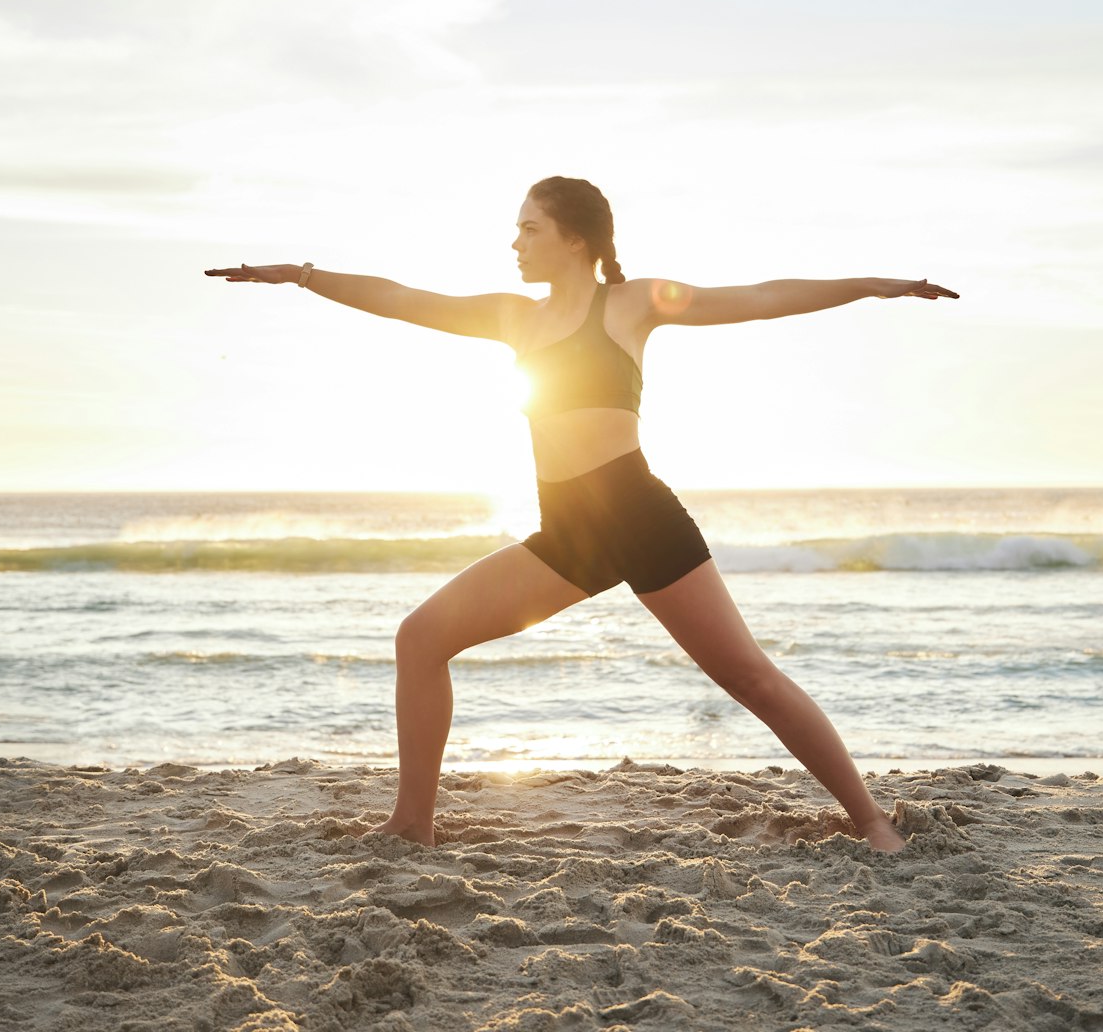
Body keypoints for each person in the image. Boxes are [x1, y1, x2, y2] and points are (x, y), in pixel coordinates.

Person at [206, 176, 959, 851]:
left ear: (575, 237)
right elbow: (404, 300)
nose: (515, 241)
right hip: (568, 534)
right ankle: (413, 821)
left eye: (529, 228)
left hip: (639, 517)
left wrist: (871, 285)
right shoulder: (514, 318)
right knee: (422, 638)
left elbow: (760, 298)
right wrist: (302, 276)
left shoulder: (627, 304)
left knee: (749, 679)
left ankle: (871, 820)